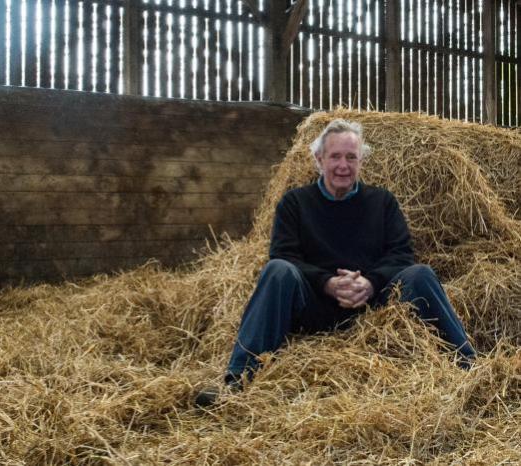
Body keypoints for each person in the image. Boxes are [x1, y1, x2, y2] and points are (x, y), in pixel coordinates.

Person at [195, 119, 476, 408]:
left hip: (373, 309)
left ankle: (473, 370)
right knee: (277, 271)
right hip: (314, 306)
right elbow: (284, 255)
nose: (343, 165)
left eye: (351, 157)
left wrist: (370, 283)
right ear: (319, 159)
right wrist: (327, 283)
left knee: (421, 274)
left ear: (361, 161)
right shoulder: (295, 203)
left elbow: (401, 255)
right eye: (335, 157)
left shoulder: (382, 202)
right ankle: (236, 382)